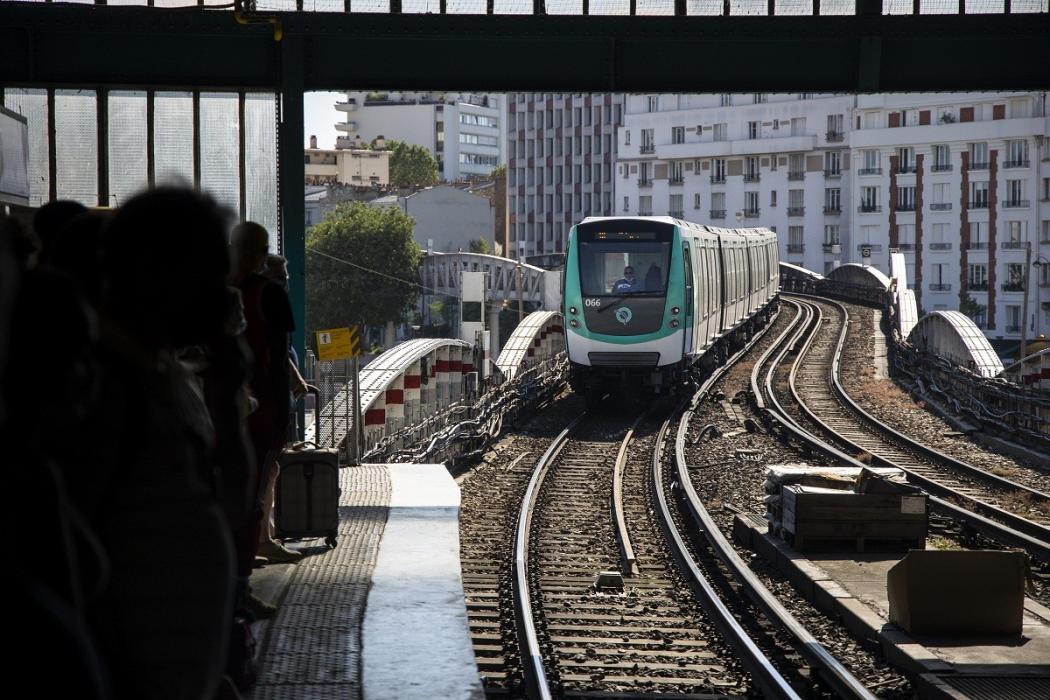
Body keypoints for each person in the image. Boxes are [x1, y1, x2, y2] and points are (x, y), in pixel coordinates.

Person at [230, 223, 301, 571]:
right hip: (262, 406)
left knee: (232, 488)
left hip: (223, 404)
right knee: (257, 487)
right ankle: (245, 573)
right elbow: (279, 355)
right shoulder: (269, 295)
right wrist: (283, 411)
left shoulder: (222, 293)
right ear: (261, 254)